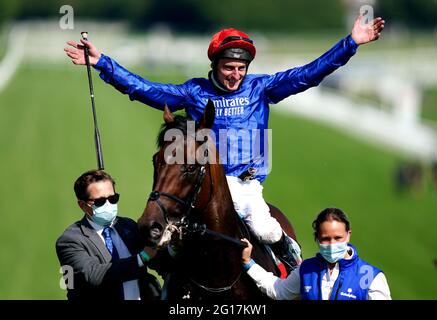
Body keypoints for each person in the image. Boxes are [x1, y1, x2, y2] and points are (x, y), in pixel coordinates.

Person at [64, 14, 385, 269]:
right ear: (215, 66)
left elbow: (307, 74)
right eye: (228, 67)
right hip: (201, 186)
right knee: (163, 242)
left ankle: (293, 263)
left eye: (241, 68)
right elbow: (146, 89)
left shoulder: (261, 88)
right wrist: (102, 62)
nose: (235, 74)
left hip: (246, 187)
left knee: (267, 230)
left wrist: (351, 43)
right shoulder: (195, 91)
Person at [55, 169, 162, 300]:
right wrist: (142, 257)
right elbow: (93, 275)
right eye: (100, 201)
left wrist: (170, 246)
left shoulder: (127, 226)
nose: (108, 205)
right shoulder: (70, 240)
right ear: (83, 205)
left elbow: (157, 259)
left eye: (113, 198)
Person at [241, 207, 391, 300]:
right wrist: (249, 263)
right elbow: (278, 290)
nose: (332, 244)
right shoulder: (306, 269)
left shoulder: (372, 277)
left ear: (348, 235)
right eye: (326, 239)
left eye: (338, 238)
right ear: (317, 239)